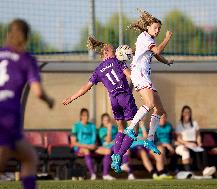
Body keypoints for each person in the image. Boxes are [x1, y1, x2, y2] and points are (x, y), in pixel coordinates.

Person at [62, 36, 137, 173]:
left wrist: (72, 97)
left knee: (121, 129)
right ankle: (119, 156)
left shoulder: (98, 70)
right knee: (134, 129)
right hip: (125, 97)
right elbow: (130, 75)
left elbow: (86, 87)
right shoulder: (118, 61)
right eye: (113, 50)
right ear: (107, 53)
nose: (116, 52)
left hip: (114, 101)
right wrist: (140, 79)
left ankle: (115, 156)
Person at [113, 9, 174, 170]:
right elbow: (158, 50)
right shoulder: (145, 37)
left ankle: (150, 139)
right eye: (155, 27)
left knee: (160, 110)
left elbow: (157, 55)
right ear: (147, 27)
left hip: (145, 76)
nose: (157, 30)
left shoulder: (149, 39)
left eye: (159, 29)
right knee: (148, 103)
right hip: (139, 74)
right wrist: (167, 38)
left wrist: (166, 62)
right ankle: (130, 127)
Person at [0, 19, 54, 189]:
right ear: (26, 37)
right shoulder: (26, 59)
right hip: (7, 117)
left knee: (29, 156)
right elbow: (37, 91)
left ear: (9, 34)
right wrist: (49, 100)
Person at [71, 108, 114, 180]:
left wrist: (94, 145)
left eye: (87, 115)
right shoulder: (76, 126)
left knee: (108, 151)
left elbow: (95, 139)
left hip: (92, 147)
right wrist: (87, 146)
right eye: (84, 115)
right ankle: (92, 174)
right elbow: (74, 142)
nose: (86, 117)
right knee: (86, 151)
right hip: (81, 147)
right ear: (81, 116)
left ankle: (105, 174)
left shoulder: (92, 126)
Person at [175, 106, 215, 175]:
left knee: (203, 150)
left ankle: (206, 169)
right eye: (185, 112)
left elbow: (198, 135)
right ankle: (202, 170)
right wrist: (188, 144)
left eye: (189, 112)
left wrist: (199, 143)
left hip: (194, 144)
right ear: (182, 113)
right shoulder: (179, 125)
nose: (187, 113)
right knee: (195, 152)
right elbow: (179, 139)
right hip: (185, 144)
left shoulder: (194, 123)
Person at [98, 113, 134, 180]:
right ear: (102, 122)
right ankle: (106, 174)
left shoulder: (114, 128)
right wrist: (109, 129)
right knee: (123, 148)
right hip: (108, 147)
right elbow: (108, 140)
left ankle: (129, 172)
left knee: (126, 147)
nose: (107, 121)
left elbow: (120, 137)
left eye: (108, 120)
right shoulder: (101, 130)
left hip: (116, 146)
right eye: (105, 120)